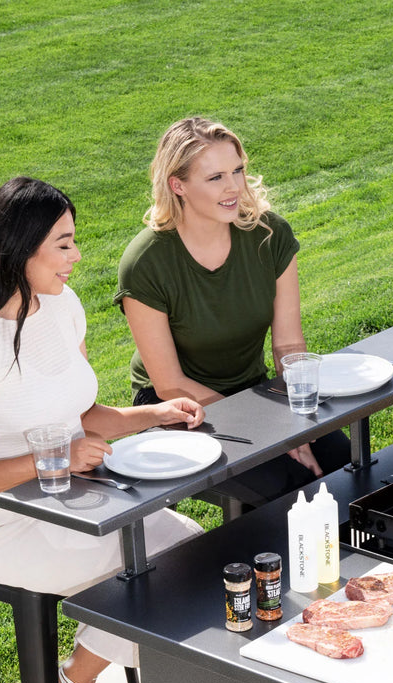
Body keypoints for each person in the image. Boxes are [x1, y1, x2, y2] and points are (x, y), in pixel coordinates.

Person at [0, 177, 204, 683]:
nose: (77, 258)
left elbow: (79, 414)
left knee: (191, 553)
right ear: (20, 250)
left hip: (64, 496)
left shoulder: (62, 307)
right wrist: (53, 459)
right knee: (155, 570)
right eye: (64, 245)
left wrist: (154, 413)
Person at [116, 117, 349, 506]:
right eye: (215, 177)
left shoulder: (268, 235)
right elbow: (171, 383)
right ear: (178, 185)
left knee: (345, 461)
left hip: (254, 391)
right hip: (175, 409)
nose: (233, 187)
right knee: (289, 484)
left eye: (238, 170)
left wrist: (299, 416)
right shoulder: (145, 262)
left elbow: (288, 344)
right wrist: (272, 432)